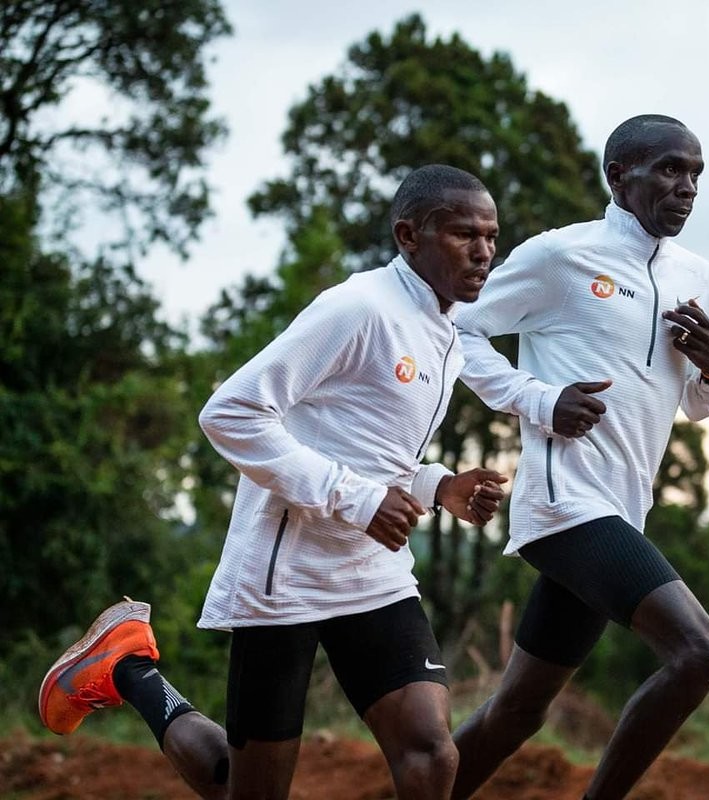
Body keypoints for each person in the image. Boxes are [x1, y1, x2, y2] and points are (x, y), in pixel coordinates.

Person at [38, 165, 509, 800]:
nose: (483, 252)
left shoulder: (445, 333)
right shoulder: (359, 308)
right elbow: (230, 413)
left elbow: (369, 449)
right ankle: (129, 671)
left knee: (431, 754)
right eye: (463, 234)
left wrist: (438, 487)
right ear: (408, 235)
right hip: (286, 577)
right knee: (246, 790)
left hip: (371, 571)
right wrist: (359, 499)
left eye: (491, 236)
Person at [451, 115, 709, 800]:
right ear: (618, 176)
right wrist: (538, 399)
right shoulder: (562, 256)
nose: (687, 187)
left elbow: (703, 405)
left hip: (622, 511)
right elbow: (456, 329)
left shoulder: (698, 278)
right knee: (700, 653)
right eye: (670, 169)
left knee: (518, 710)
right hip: (564, 506)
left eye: (695, 174)